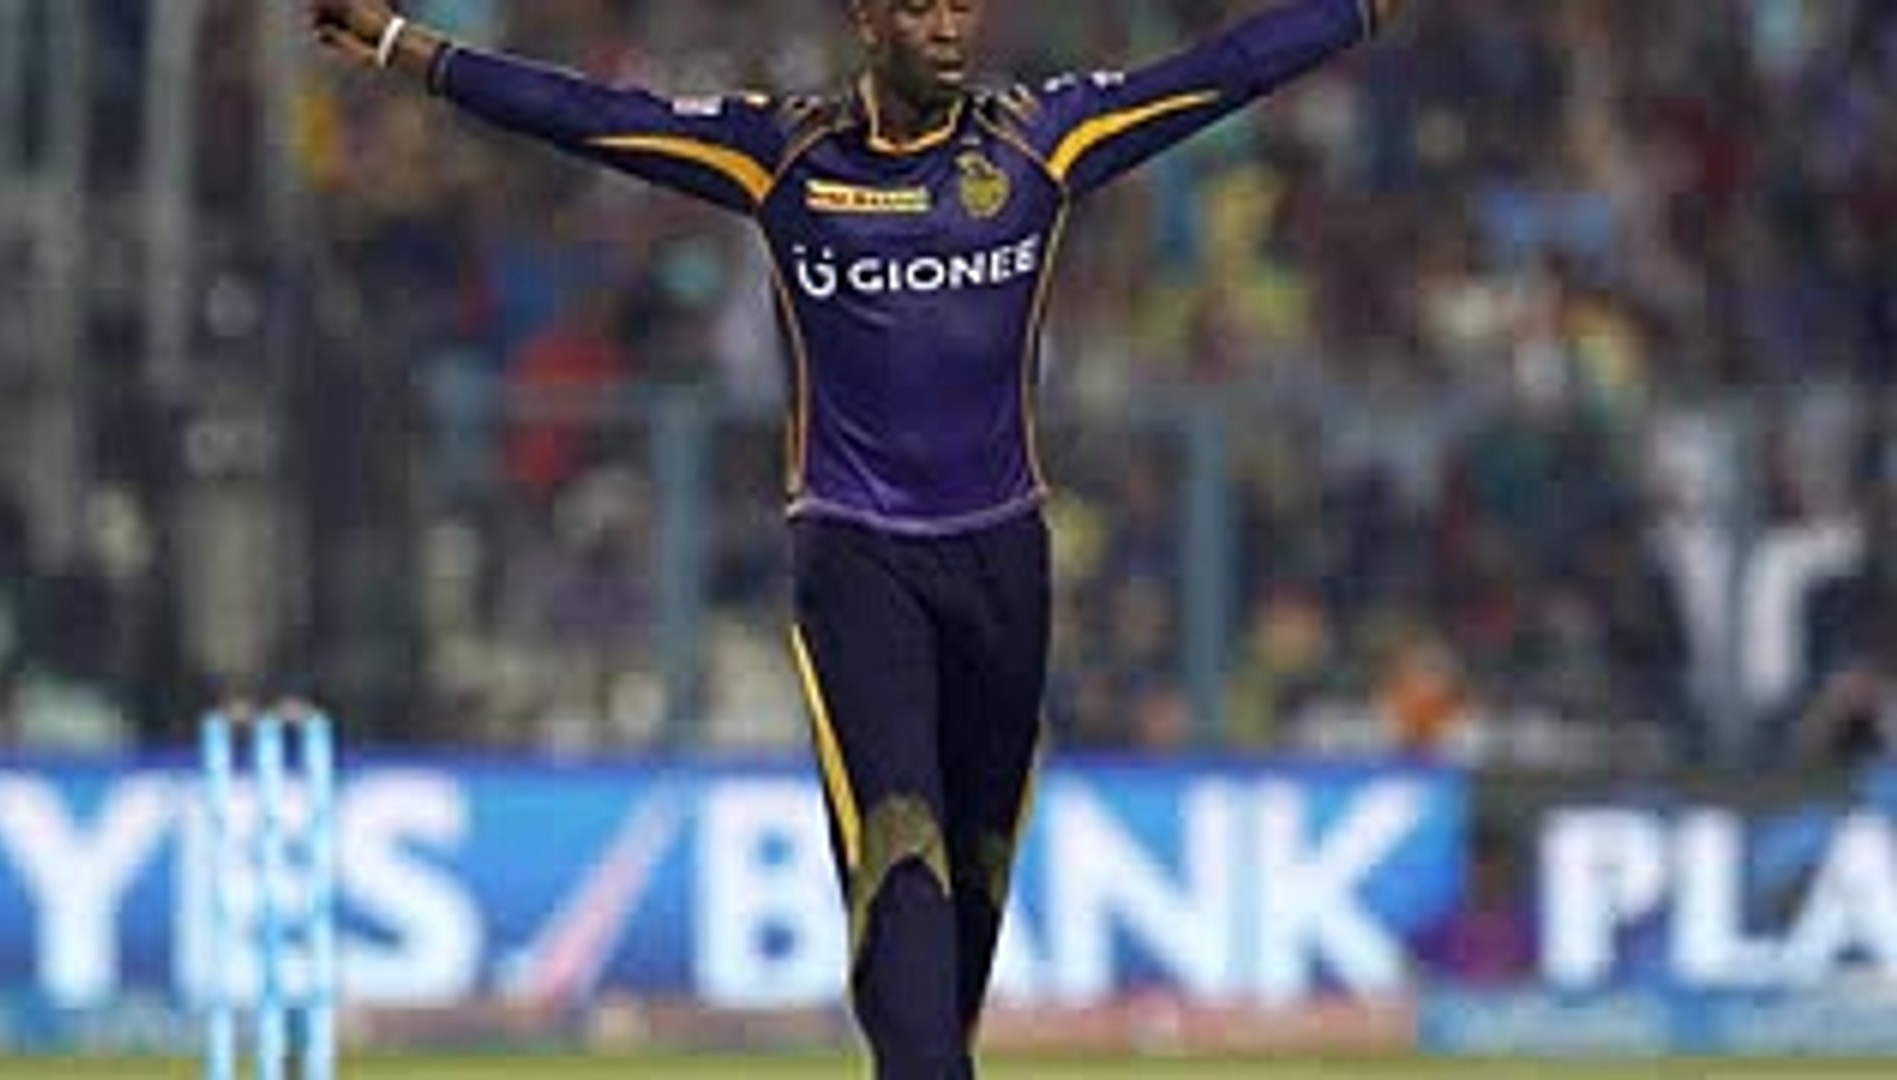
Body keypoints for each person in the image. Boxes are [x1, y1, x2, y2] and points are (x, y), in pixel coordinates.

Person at [308, 0, 1400, 1075]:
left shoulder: (1040, 140)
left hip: (1005, 559)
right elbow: (587, 116)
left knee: (973, 877)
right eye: (921, 7)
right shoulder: (784, 156)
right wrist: (403, 44)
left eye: (965, 4)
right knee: (897, 843)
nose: (951, 28)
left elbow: (1222, 71)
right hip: (857, 555)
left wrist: (1357, 10)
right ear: (867, 19)